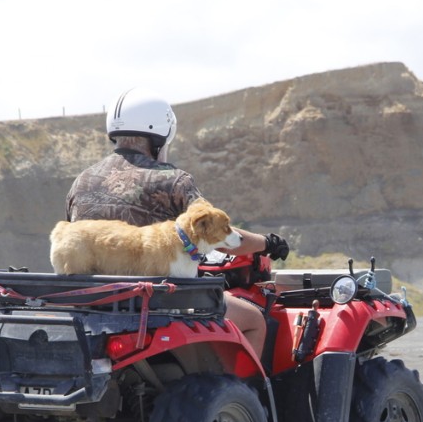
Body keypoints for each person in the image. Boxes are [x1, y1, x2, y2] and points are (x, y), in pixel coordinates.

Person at [65, 87, 289, 354]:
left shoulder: (81, 181)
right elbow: (217, 235)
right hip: (154, 300)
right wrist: (268, 243)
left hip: (94, 302)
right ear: (160, 135)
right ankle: (238, 383)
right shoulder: (174, 181)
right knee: (254, 321)